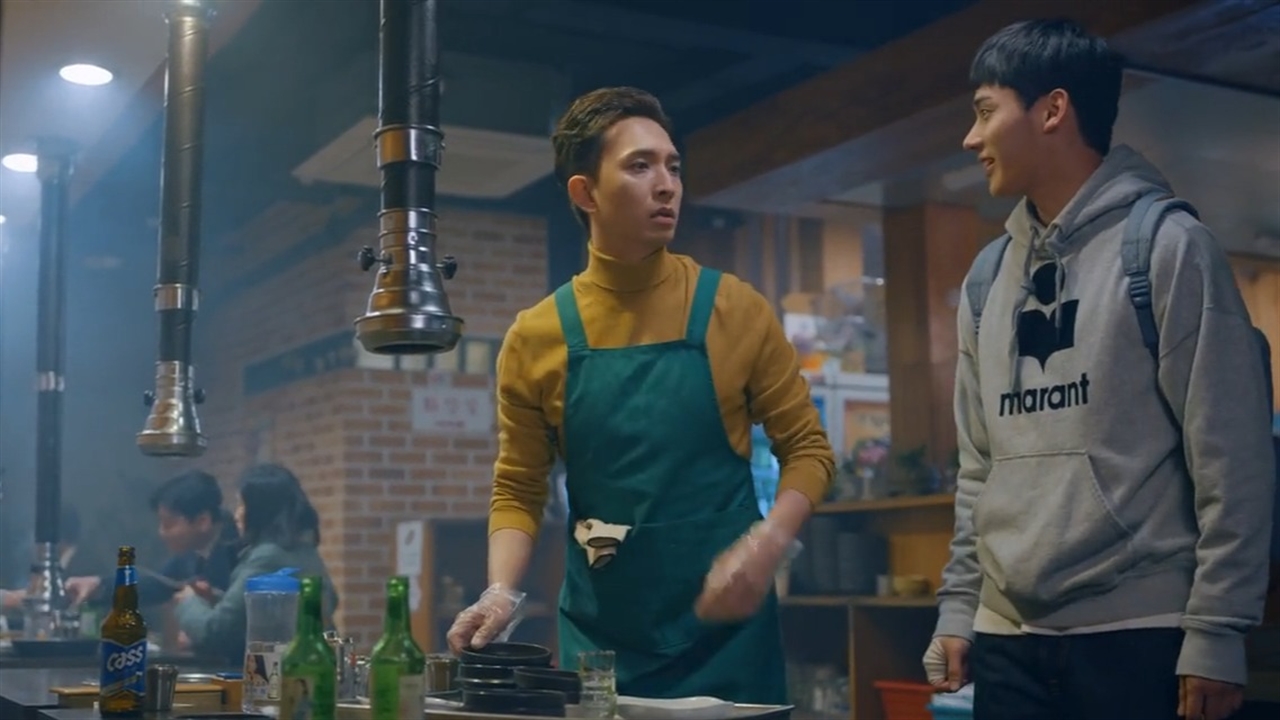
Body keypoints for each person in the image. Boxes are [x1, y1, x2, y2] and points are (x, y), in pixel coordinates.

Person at [924, 18, 1276, 720]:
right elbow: (979, 469)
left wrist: (1217, 630)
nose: (970, 137)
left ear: (1053, 109)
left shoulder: (1170, 247)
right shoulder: (988, 277)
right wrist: (960, 606)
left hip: (1139, 634)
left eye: (986, 111)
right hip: (1006, 638)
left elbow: (1232, 456)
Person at [445, 86, 834, 704]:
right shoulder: (536, 337)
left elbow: (809, 450)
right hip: (604, 643)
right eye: (640, 166)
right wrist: (499, 591)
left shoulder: (734, 308)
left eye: (673, 167)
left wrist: (766, 546)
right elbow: (519, 487)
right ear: (586, 193)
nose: (667, 185)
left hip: (728, 639)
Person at [175, 463, 336, 665]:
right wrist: (216, 598)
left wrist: (189, 602)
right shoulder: (304, 550)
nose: (236, 515)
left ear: (260, 511)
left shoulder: (268, 557)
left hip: (279, 674)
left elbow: (217, 632)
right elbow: (269, 611)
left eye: (242, 505)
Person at [66, 470, 242, 608]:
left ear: (202, 521)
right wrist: (98, 585)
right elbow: (156, 584)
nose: (161, 533)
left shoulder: (239, 553)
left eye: (169, 524)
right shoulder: (189, 554)